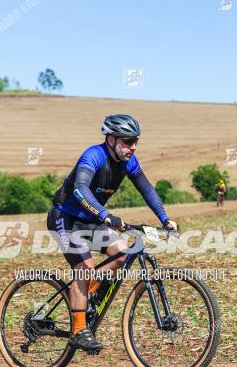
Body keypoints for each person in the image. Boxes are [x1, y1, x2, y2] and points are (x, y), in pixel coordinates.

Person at [48, 114, 178, 352]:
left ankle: (87, 291)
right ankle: (78, 330)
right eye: (128, 141)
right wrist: (105, 215)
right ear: (111, 139)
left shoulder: (129, 161)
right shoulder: (93, 155)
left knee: (121, 253)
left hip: (91, 219)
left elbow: (147, 189)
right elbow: (79, 189)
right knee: (85, 269)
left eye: (135, 141)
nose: (133, 147)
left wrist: (165, 218)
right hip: (65, 218)